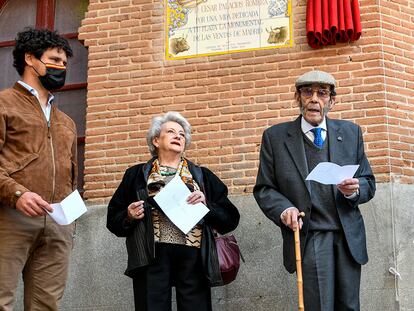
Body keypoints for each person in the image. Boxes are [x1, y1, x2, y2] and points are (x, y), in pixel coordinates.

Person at [254, 70, 376, 311]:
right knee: (319, 306)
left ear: (332, 101)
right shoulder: (275, 137)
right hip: (310, 236)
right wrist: (284, 208)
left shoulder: (351, 133)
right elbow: (264, 188)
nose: (314, 99)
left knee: (350, 306)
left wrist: (354, 190)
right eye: (307, 92)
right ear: (297, 98)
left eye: (322, 93)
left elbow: (368, 182)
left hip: (347, 236)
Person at [107, 111, 240, 311]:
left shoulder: (201, 176)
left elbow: (230, 218)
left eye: (182, 134)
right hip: (152, 255)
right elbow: (113, 219)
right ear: (156, 141)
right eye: (171, 132)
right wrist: (128, 215)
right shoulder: (136, 175)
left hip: (193, 256)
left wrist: (206, 206)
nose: (178, 136)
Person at [0, 28, 77, 310]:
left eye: (65, 63)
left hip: (57, 225)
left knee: (46, 305)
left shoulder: (66, 122)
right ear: (30, 59)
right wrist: (17, 193)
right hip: (9, 217)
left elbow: (70, 177)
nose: (61, 68)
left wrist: (70, 224)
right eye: (55, 60)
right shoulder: (3, 104)